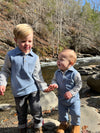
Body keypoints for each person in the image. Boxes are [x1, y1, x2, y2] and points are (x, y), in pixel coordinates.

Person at [0, 23, 49, 133]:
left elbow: (38, 75)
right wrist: (2, 83)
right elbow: (5, 71)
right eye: (23, 41)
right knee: (21, 112)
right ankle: (22, 128)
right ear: (16, 40)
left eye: (30, 41)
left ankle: (38, 127)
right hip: (18, 90)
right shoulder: (11, 55)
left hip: (33, 89)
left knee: (36, 109)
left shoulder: (35, 57)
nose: (27, 44)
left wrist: (44, 87)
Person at [45, 49, 82, 133]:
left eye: (61, 59)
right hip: (61, 99)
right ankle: (64, 123)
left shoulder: (75, 73)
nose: (58, 61)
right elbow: (54, 80)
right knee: (62, 113)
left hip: (73, 100)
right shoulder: (57, 72)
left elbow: (79, 85)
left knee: (75, 113)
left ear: (71, 63)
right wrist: (54, 84)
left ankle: (75, 125)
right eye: (58, 59)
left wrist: (71, 92)